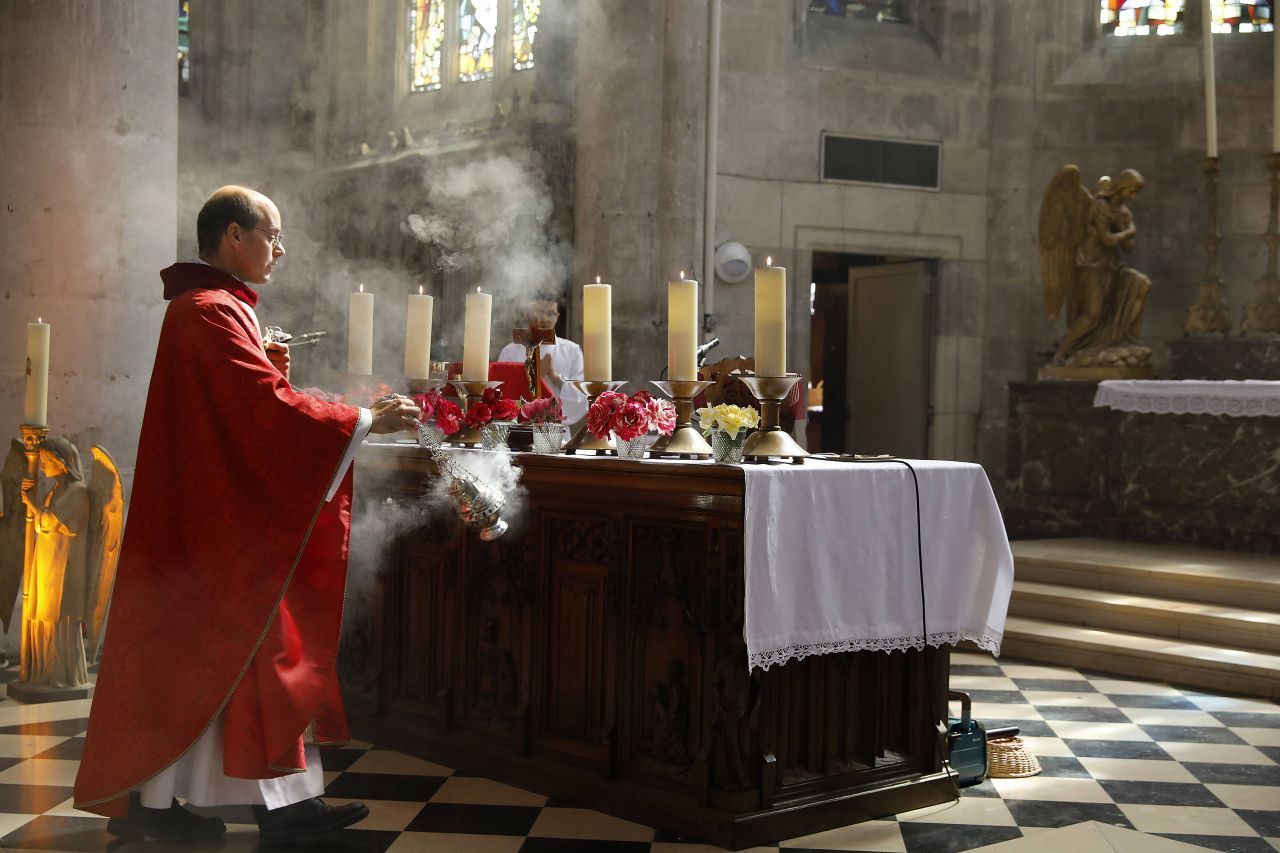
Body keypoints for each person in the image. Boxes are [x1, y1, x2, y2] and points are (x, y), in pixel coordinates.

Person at [72, 186, 421, 843]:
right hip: (216, 530)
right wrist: (364, 418)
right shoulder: (209, 308)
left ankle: (160, 805)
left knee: (199, 664)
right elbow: (264, 410)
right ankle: (284, 814)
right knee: (256, 649)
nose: (280, 248)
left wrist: (295, 384)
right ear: (233, 236)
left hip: (205, 519)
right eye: (271, 234)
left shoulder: (207, 306)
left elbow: (251, 404)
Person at [496, 300, 587, 424]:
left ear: (557, 316)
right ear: (528, 314)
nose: (544, 319)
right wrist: (537, 376)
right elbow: (502, 395)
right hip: (518, 428)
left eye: (550, 313)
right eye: (539, 312)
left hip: (556, 429)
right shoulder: (509, 352)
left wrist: (555, 378)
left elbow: (581, 396)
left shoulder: (572, 351)